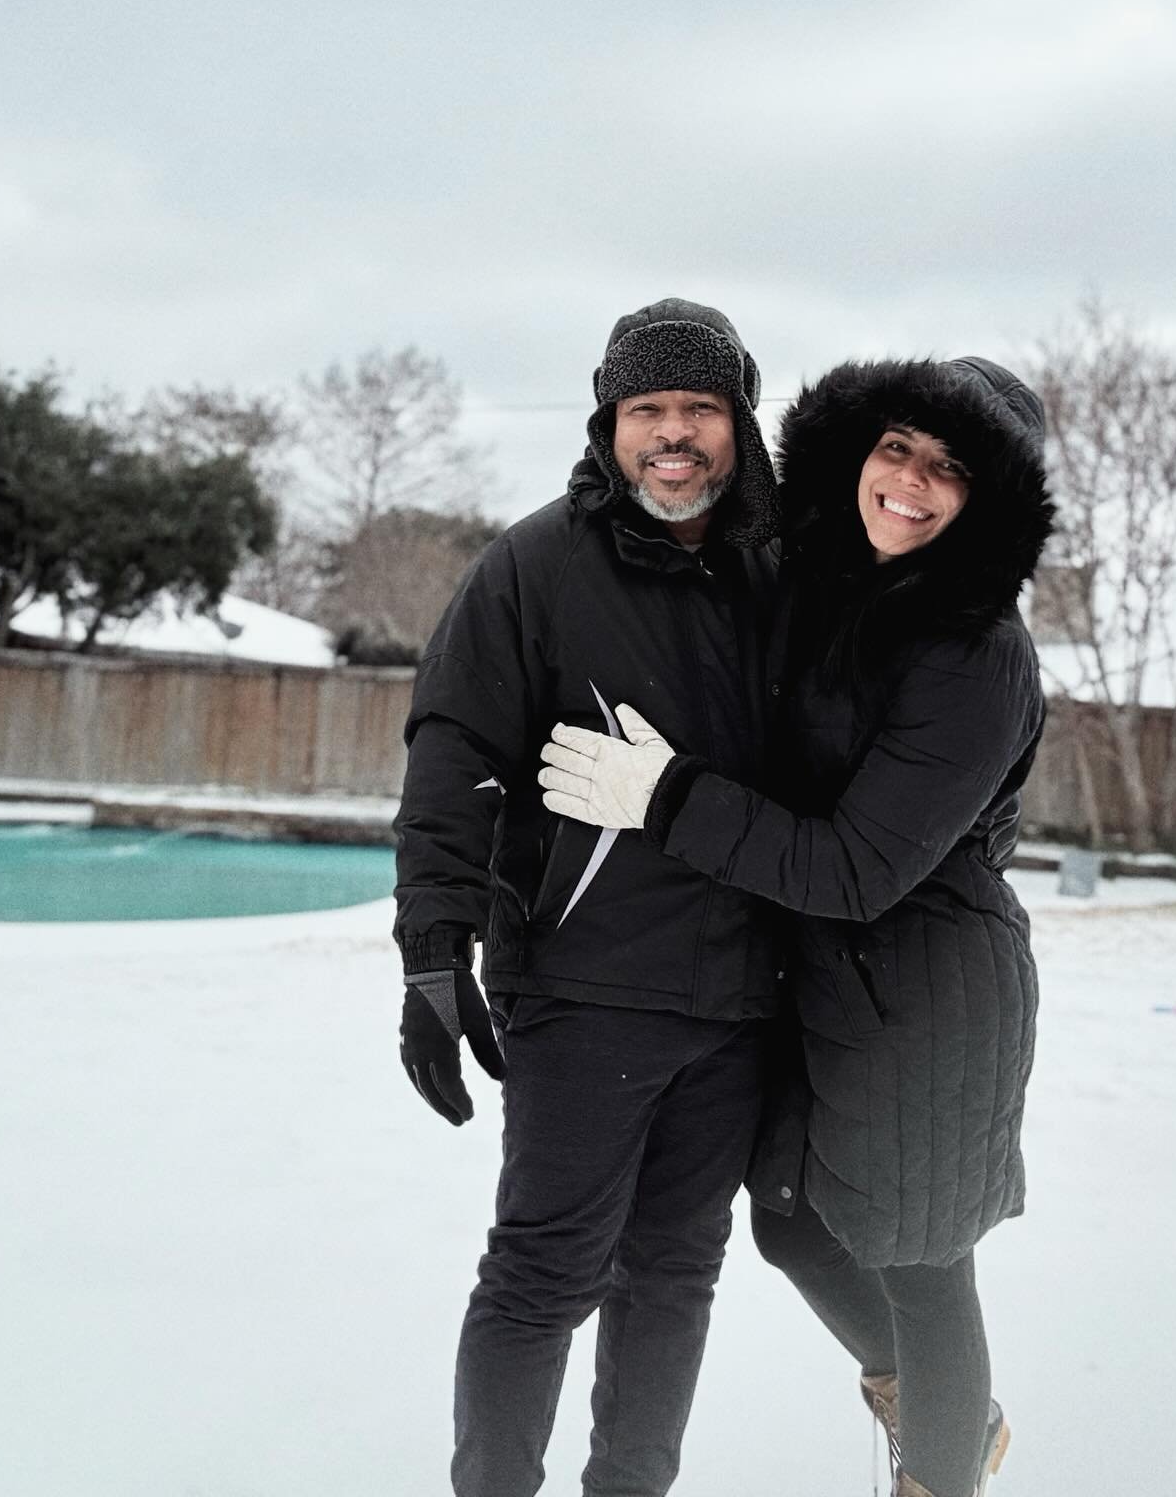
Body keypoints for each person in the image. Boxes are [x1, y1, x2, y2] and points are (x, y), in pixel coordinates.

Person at [539, 355, 1055, 1497]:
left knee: (921, 1264)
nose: (912, 483)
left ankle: (942, 1467)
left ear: (993, 503)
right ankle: (940, 1413)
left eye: (952, 470)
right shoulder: (838, 586)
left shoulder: (977, 653)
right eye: (898, 450)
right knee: (790, 1222)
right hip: (817, 969)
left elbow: (862, 865)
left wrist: (663, 798)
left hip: (925, 989)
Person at [393, 297, 785, 1497]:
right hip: (584, 986)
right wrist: (430, 953)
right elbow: (452, 751)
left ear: (739, 422)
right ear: (610, 422)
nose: (674, 434)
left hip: (739, 1000)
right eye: (648, 409)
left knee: (675, 1273)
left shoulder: (785, 572)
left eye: (700, 409)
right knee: (545, 1273)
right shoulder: (535, 565)